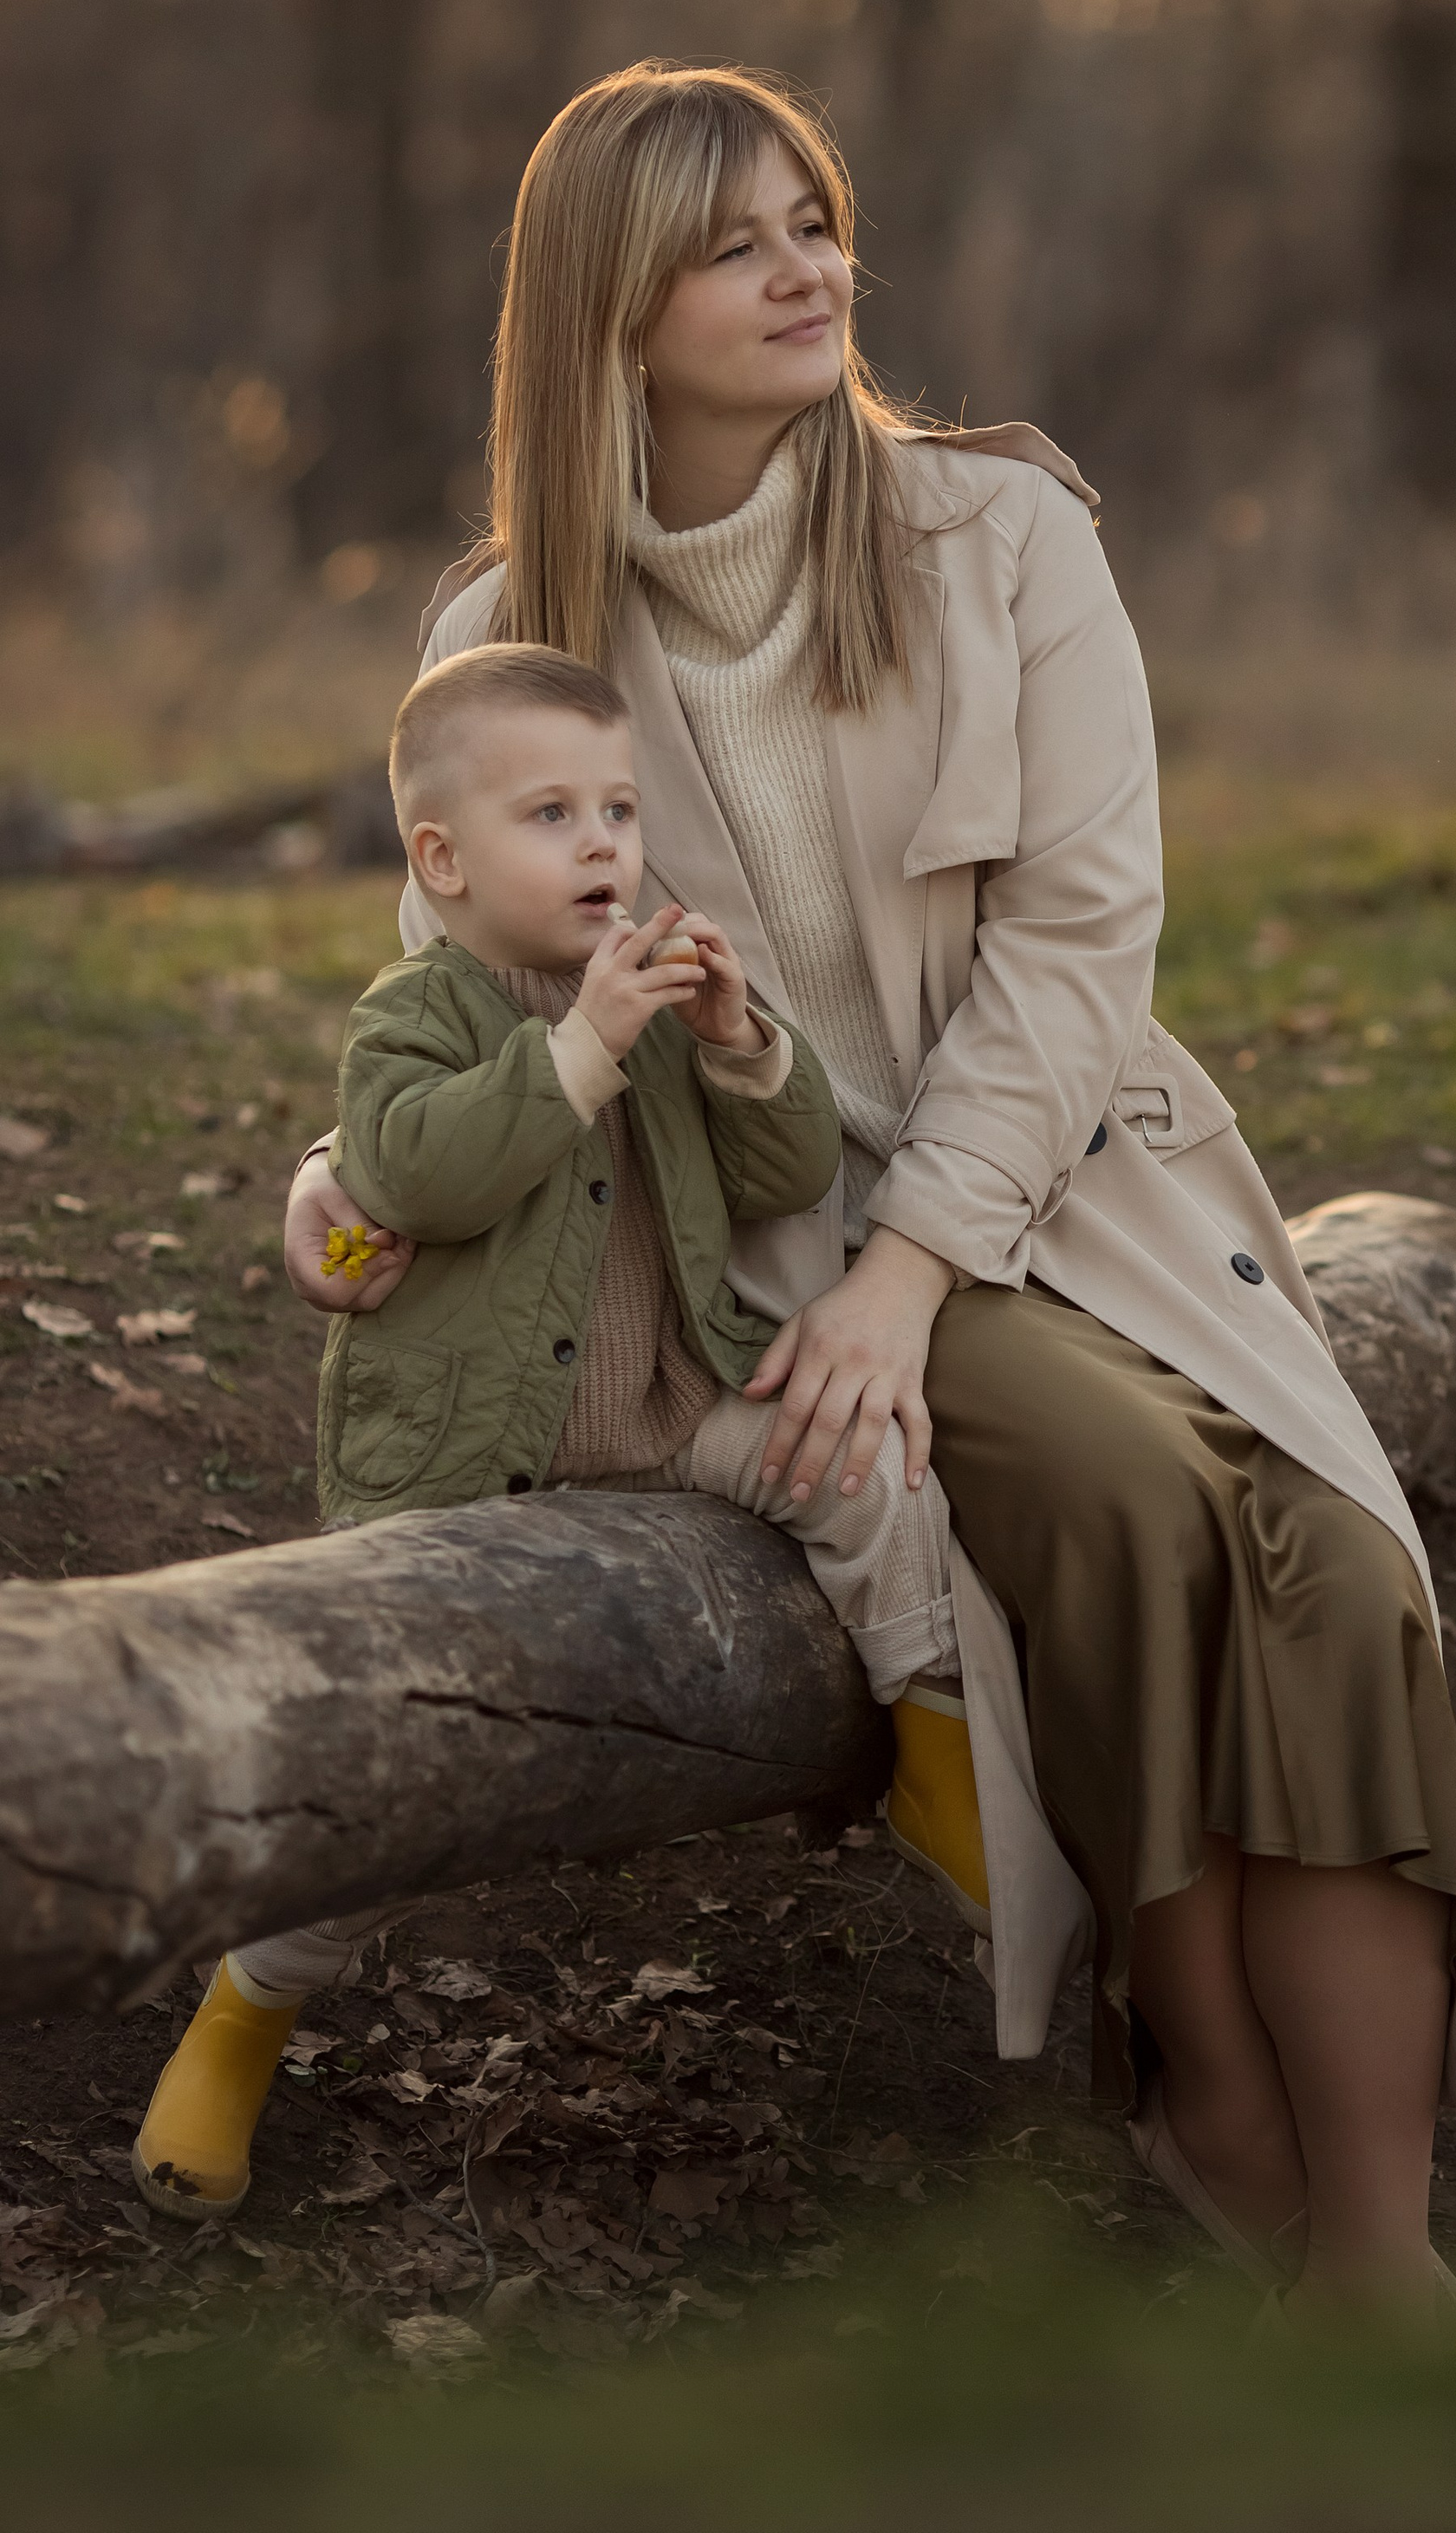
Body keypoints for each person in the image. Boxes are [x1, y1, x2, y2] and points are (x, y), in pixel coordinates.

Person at [285, 62, 1456, 2315]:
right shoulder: (501, 623)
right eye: (735, 239)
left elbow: (1078, 939)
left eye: (816, 220)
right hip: (758, 1253)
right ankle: (1211, 2088)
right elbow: (457, 991)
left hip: (1057, 1196)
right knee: (1139, 1505)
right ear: (607, 307)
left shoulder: (1003, 534)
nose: (806, 267)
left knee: (1333, 1546)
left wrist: (921, 1271)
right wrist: (341, 1183)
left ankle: (1388, 2239)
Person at [132, 637, 984, 2223]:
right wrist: (585, 1046)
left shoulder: (656, 998)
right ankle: (251, 2009)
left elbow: (788, 1177)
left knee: (867, 1464)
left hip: (666, 1407)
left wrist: (740, 1046)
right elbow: (418, 1175)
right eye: (552, 815)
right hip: (467, 1459)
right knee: (403, 1760)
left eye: (619, 807)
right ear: (440, 860)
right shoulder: (420, 1014)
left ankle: (935, 1748)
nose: (604, 844)